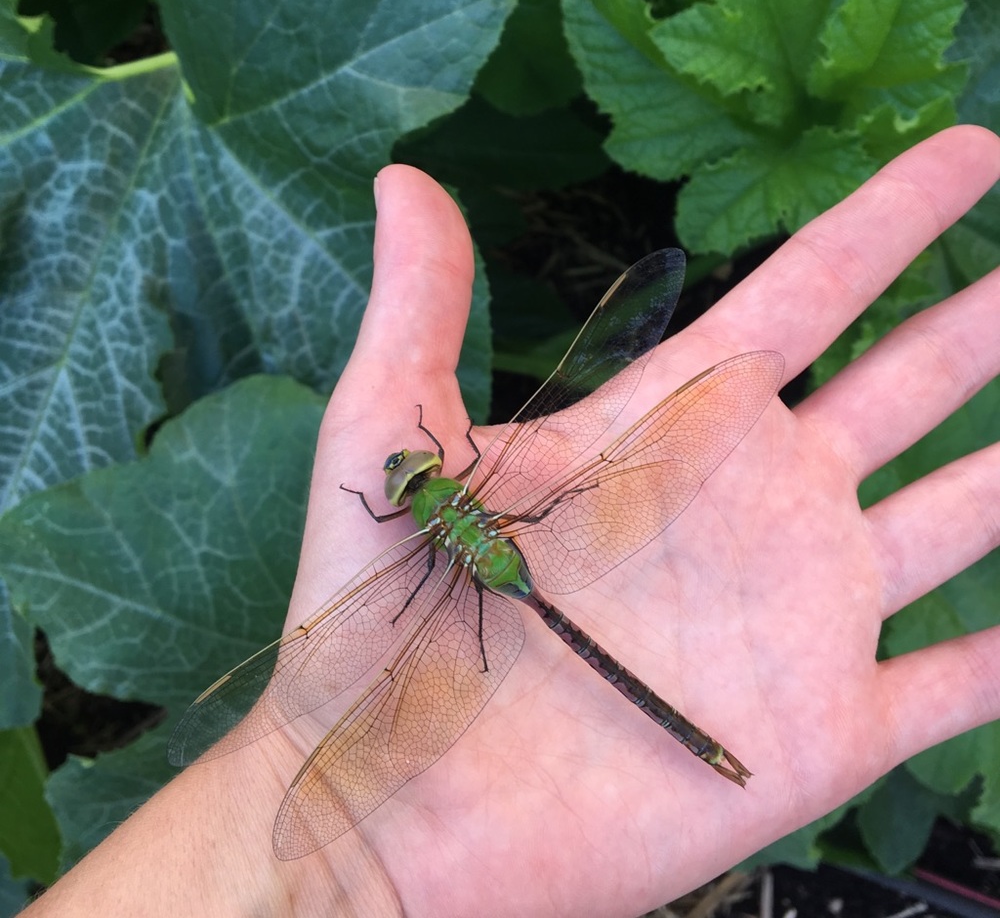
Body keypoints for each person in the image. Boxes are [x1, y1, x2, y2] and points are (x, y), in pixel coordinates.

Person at [22, 125, 1000, 917]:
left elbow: (399, 559)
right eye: (411, 478)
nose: (408, 478)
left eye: (411, 477)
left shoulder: (424, 543)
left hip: (499, 582)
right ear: (438, 495)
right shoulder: (470, 504)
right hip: (515, 558)